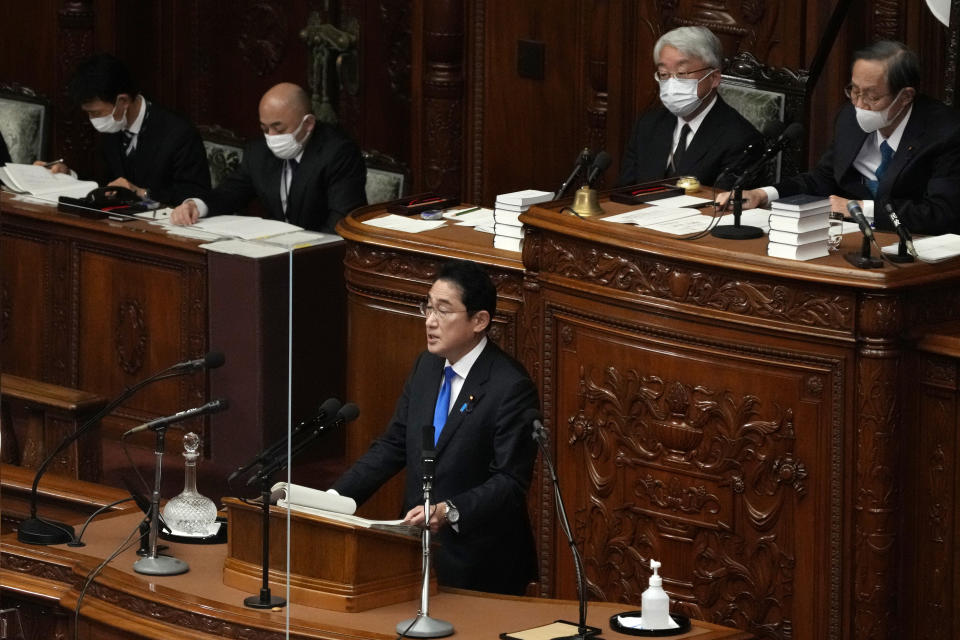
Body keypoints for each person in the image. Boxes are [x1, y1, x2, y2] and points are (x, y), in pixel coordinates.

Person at [332, 260, 539, 595]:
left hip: (480, 563)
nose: (430, 321)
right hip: (415, 551)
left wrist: (449, 510)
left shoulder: (510, 387)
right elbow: (395, 444)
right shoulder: (427, 366)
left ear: (479, 320)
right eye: (428, 307)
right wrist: (335, 498)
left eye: (443, 310)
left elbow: (510, 482)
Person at [721, 41, 960, 236]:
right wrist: (763, 194)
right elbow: (823, 179)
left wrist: (857, 208)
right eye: (854, 91)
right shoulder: (849, 119)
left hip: (918, 248)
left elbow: (941, 214)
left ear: (906, 96)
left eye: (872, 97)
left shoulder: (945, 133)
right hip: (852, 239)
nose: (859, 105)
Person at [170, 83, 366, 233]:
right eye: (265, 128)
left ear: (308, 124)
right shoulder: (258, 152)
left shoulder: (338, 153)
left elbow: (342, 222)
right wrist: (195, 205)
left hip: (320, 258)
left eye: (279, 128)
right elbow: (229, 193)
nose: (271, 137)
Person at [38, 53, 210, 205]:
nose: (93, 120)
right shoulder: (113, 128)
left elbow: (196, 196)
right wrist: (68, 175)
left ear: (123, 101)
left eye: (96, 112)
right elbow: (101, 179)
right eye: (89, 114)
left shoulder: (178, 133)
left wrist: (140, 192)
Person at [617, 26, 763, 189]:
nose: (672, 83)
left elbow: (724, 207)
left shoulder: (740, 139)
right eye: (664, 74)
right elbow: (625, 191)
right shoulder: (648, 124)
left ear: (714, 78)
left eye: (682, 73)